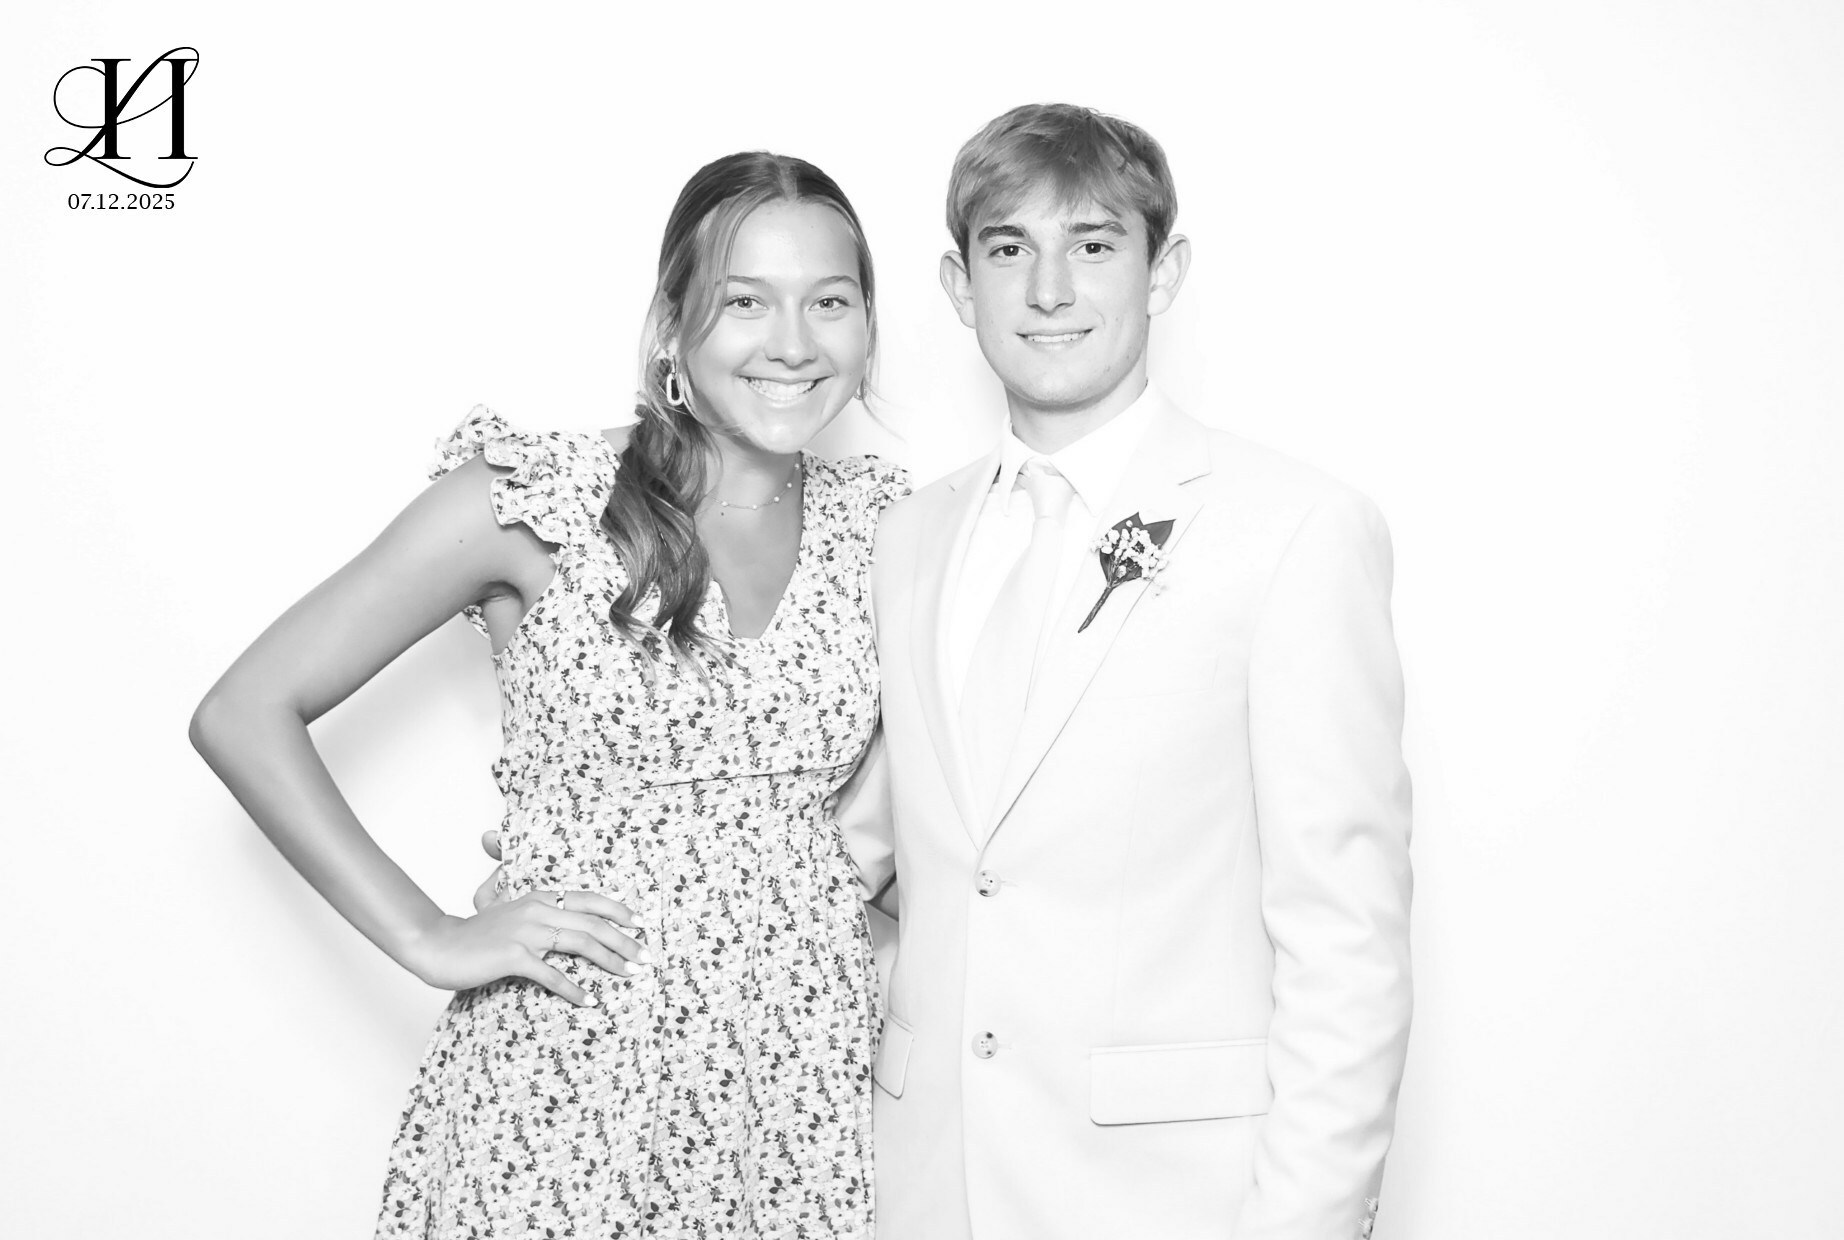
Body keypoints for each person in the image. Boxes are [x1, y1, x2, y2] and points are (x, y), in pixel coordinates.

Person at [189, 151, 907, 1238]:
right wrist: (430, 934)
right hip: (571, 1073)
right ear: (671, 324)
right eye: (744, 301)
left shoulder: (889, 524)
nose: (794, 342)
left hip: (796, 1078)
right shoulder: (538, 496)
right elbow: (245, 712)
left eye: (830, 302)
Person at [845, 104, 1414, 1238]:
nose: (1049, 288)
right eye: (1010, 248)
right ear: (959, 287)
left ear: (1164, 272)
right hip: (924, 1187)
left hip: (1173, 1199)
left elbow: (1344, 935)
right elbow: (866, 853)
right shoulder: (904, 538)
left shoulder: (1293, 530)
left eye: (1094, 244)